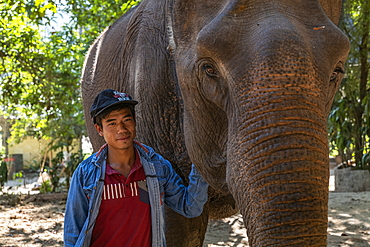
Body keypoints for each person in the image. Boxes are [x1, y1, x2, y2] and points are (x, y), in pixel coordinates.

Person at [64, 89, 209, 247]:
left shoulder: (157, 167)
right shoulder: (86, 173)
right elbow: (73, 232)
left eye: (127, 119)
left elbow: (190, 207)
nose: (121, 129)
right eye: (112, 123)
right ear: (99, 129)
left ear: (135, 121)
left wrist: (200, 159)